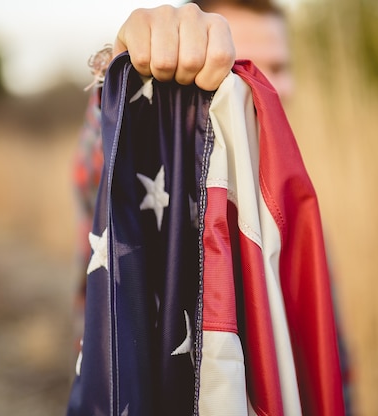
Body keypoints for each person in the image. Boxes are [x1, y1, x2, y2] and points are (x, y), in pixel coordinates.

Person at [71, 1, 353, 413]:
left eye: (281, 66)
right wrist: (119, 75)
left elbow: (324, 343)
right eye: (246, 65)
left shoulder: (280, 187)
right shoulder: (161, 157)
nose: (276, 86)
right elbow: (92, 173)